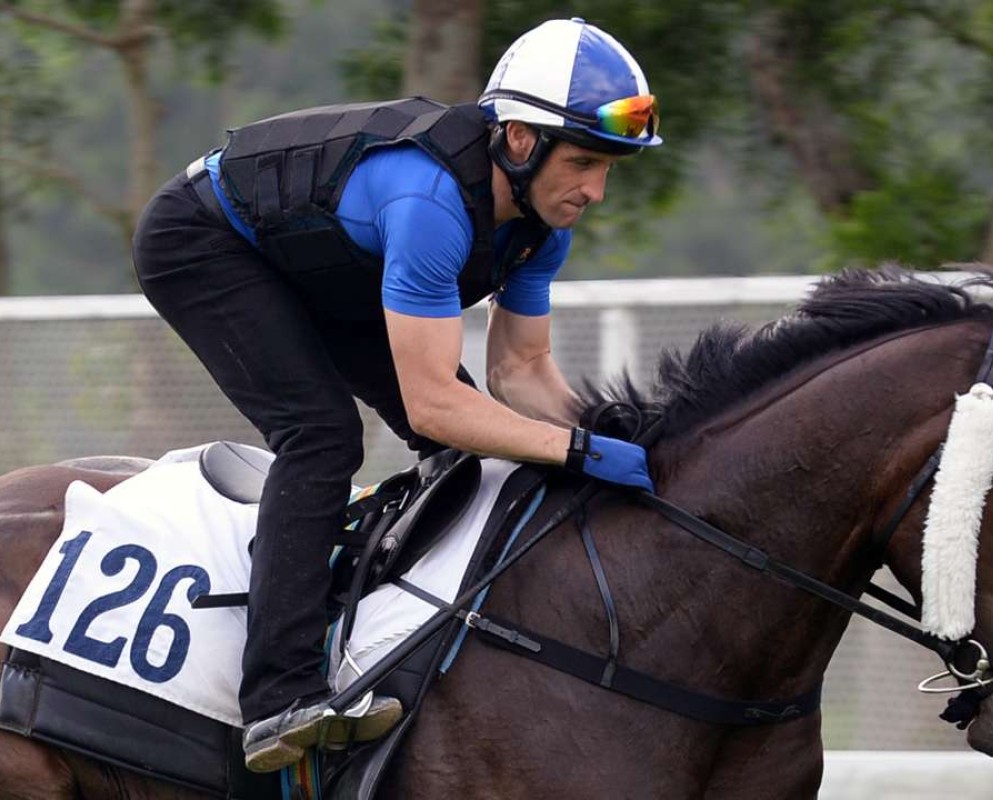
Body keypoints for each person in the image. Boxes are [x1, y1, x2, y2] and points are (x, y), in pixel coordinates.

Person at [131, 17, 661, 773]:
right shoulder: (433, 203)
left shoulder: (544, 225)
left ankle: (377, 611)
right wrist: (574, 450)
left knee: (476, 446)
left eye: (610, 168)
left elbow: (522, 371)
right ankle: (278, 696)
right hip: (205, 242)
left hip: (324, 268)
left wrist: (619, 442)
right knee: (321, 436)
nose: (596, 192)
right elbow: (432, 404)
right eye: (582, 162)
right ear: (519, 140)